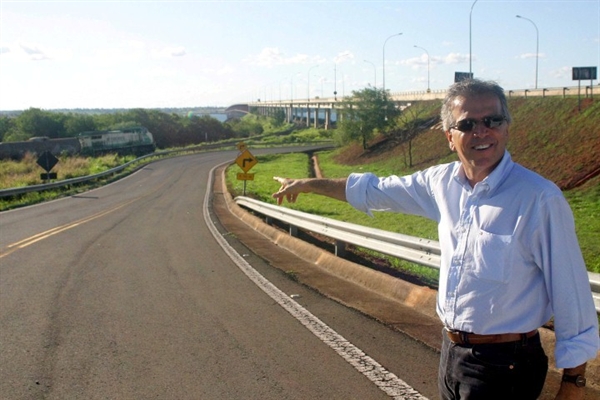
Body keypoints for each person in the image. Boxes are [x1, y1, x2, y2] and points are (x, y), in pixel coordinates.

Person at [272, 78, 599, 400]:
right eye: (467, 124)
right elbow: (372, 191)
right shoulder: (440, 184)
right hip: (452, 355)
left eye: (492, 120)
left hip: (506, 365)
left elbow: (570, 291)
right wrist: (308, 184)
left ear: (507, 126)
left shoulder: (539, 199)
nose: (480, 132)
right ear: (449, 137)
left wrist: (574, 382)